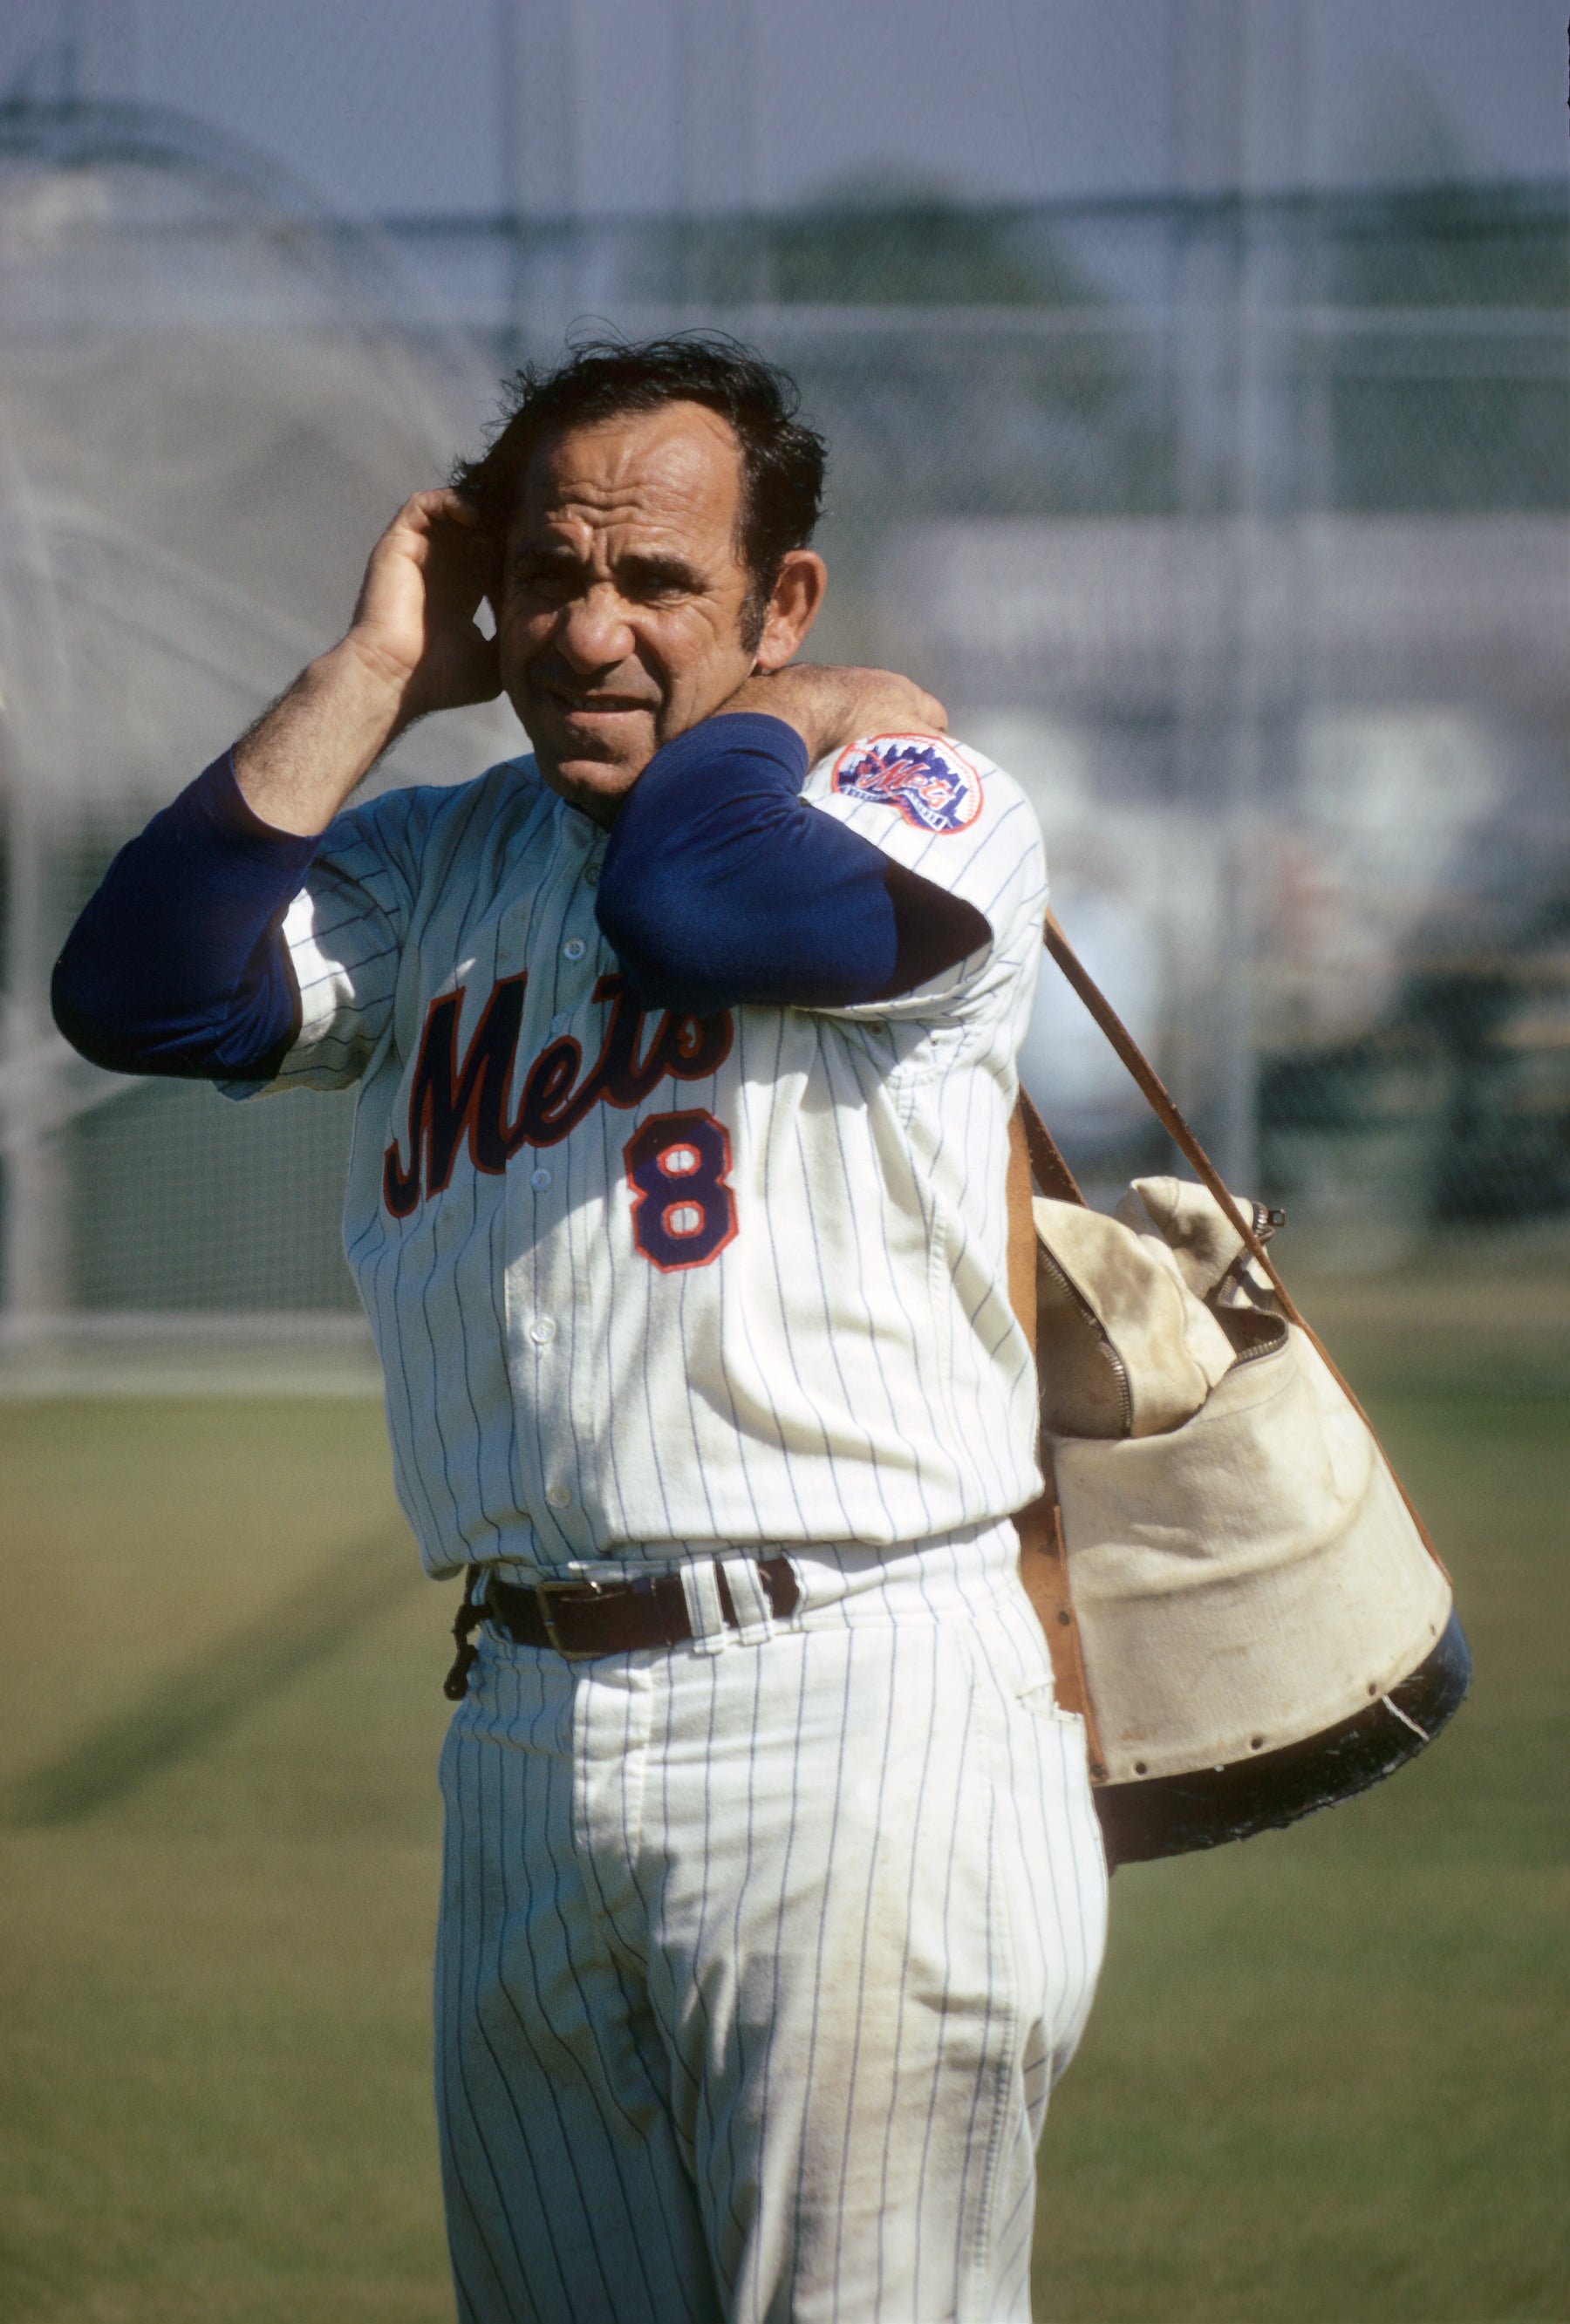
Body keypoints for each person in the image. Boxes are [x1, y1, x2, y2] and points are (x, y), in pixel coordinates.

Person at [52, 336, 1108, 2323]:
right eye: (548, 576)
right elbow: (142, 991)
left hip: (860, 1703)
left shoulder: (920, 796)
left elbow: (696, 909)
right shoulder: (437, 865)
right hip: (527, 1726)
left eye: (661, 583)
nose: (589, 630)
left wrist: (784, 714)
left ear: (785, 599)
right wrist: (377, 671)